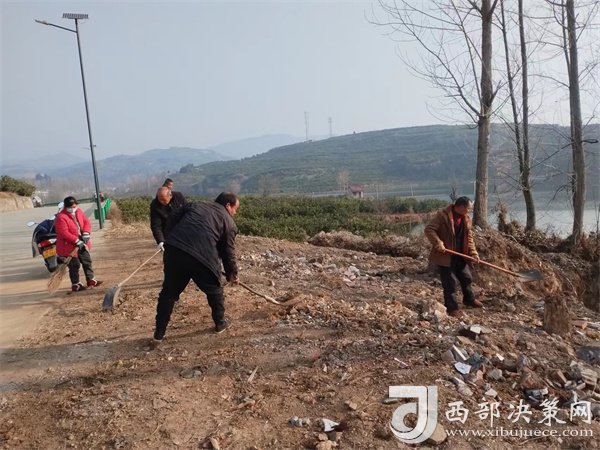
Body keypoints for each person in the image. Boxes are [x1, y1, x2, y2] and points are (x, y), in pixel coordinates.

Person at [152, 192, 240, 344]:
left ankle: (158, 334)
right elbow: (228, 252)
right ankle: (220, 323)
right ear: (228, 206)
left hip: (174, 251)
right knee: (215, 290)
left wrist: (171, 239)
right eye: (235, 209)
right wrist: (232, 274)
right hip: (202, 257)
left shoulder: (195, 204)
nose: (235, 213)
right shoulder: (229, 223)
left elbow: (172, 218)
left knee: (169, 293)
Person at [425, 196, 482, 317]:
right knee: (450, 282)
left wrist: (473, 253)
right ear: (461, 207)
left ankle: (469, 299)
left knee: (466, 278)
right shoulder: (442, 216)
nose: (469, 211)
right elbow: (429, 229)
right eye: (468, 208)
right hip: (446, 256)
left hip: (461, 254)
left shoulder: (466, 218)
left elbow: (469, 238)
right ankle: (452, 308)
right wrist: (438, 242)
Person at [54, 196, 102, 292]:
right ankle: (76, 284)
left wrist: (86, 233)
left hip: (81, 241)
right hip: (68, 245)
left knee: (86, 261)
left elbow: (86, 222)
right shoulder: (61, 217)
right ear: (65, 207)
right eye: (69, 207)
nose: (72, 209)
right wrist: (76, 241)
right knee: (74, 265)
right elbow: (63, 232)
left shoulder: (79, 212)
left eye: (74, 207)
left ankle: (91, 280)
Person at [150, 186, 186, 251]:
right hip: (168, 232)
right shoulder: (154, 205)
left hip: (182, 229)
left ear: (170, 196)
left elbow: (187, 211)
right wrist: (160, 241)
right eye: (160, 199)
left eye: (164, 200)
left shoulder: (179, 197)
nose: (161, 202)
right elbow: (156, 225)